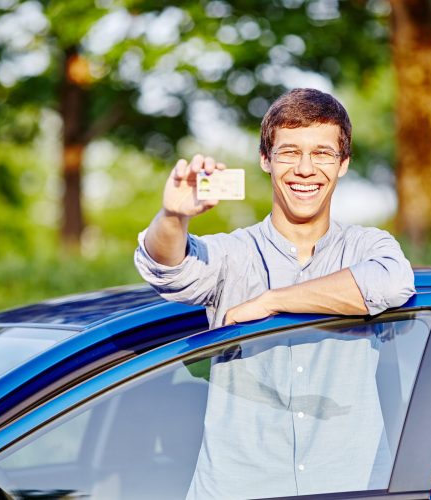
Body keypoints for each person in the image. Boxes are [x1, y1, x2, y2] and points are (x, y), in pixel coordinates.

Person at [134, 88, 415, 499]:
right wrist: (173, 216)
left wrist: (271, 301)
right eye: (289, 153)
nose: (305, 169)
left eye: (322, 153)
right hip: (240, 490)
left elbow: (391, 283)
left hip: (352, 489)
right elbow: (166, 268)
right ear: (266, 160)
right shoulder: (232, 255)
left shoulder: (368, 247)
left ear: (344, 164)